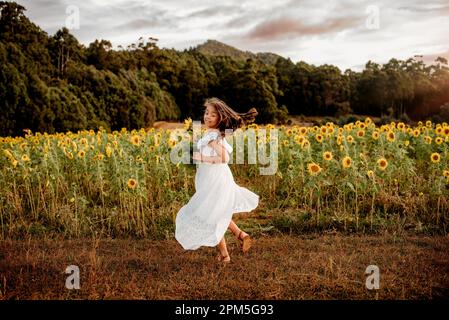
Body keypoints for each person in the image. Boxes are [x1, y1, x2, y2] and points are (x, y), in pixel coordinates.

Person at [175, 97, 259, 263]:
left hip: (214, 180)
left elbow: (224, 157)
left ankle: (225, 255)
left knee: (211, 216)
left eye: (213, 115)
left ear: (221, 118)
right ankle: (240, 235)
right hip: (211, 178)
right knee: (216, 213)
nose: (207, 117)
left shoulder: (214, 137)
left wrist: (201, 157)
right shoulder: (212, 134)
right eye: (206, 113)